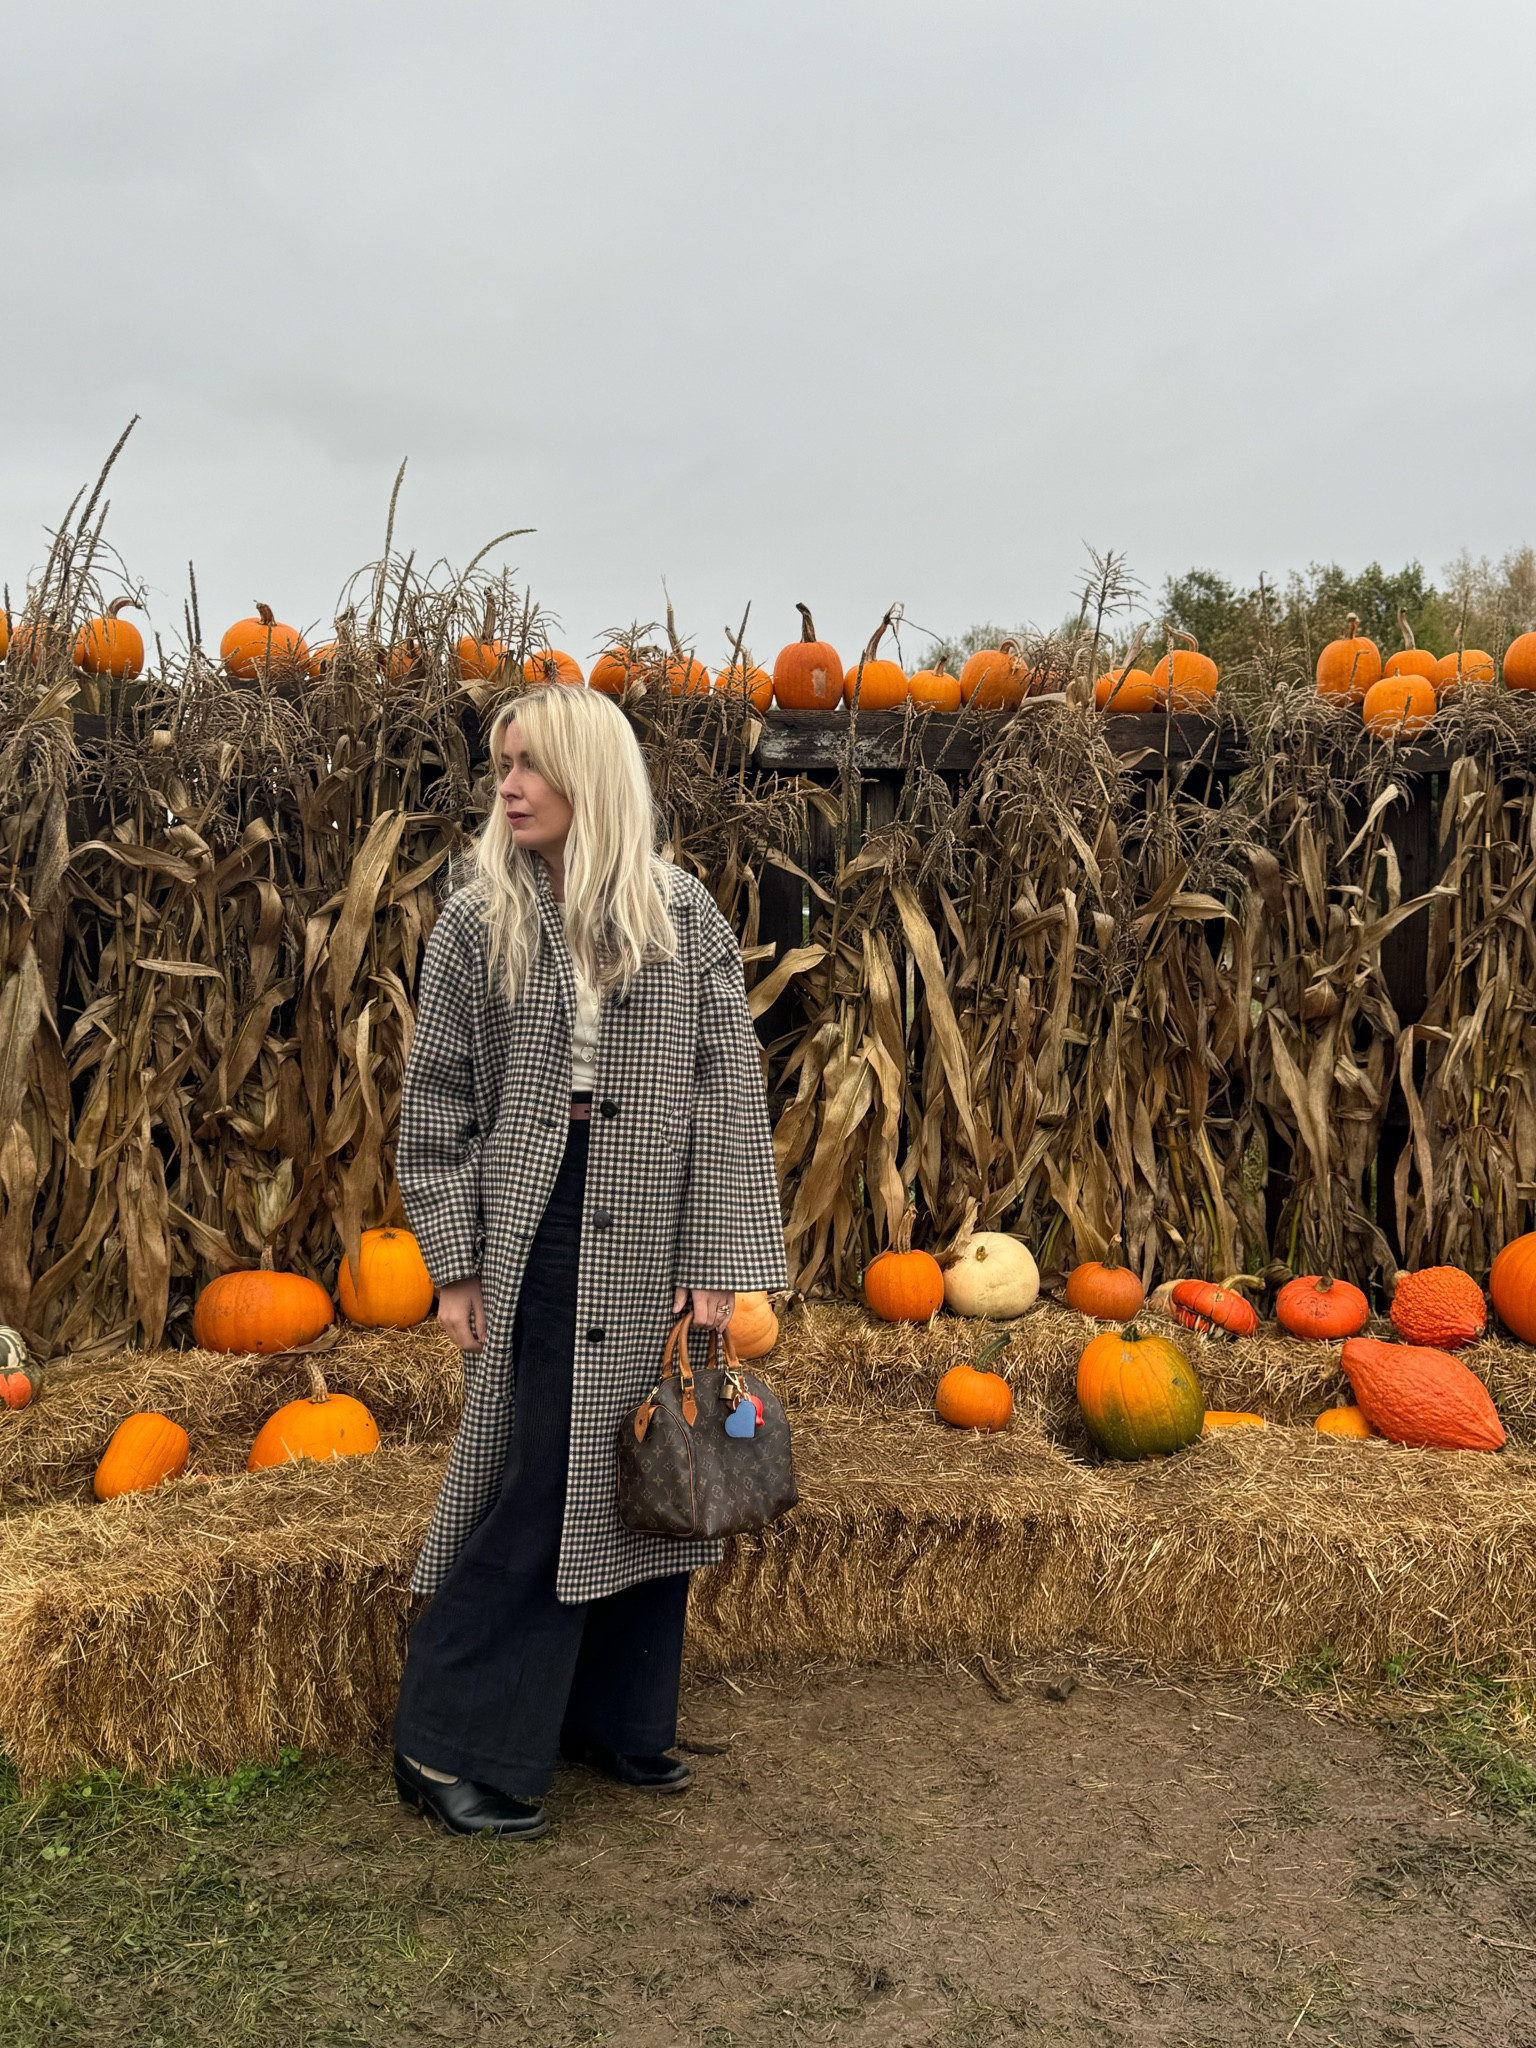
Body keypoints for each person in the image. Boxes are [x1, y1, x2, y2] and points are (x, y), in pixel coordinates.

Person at [390, 683, 787, 1838]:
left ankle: (614, 1716)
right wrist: (456, 1261)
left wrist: (719, 1258)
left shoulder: (682, 914)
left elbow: (725, 1091)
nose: (505, 785)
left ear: (590, 777)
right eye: (500, 764)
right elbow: (440, 1102)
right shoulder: (477, 919)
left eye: (530, 764)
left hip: (660, 1218)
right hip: (541, 1218)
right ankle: (445, 1740)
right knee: (547, 1475)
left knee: (658, 1465)